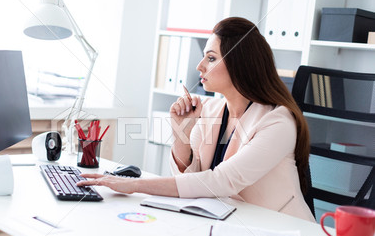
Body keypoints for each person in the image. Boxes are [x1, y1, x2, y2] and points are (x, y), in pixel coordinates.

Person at [78, 17, 315, 222]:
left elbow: (221, 182)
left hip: (284, 232)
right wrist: (182, 133)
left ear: (239, 64)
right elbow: (192, 185)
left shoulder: (278, 122)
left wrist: (135, 185)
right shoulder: (210, 109)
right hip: (229, 222)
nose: (199, 66)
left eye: (211, 58)